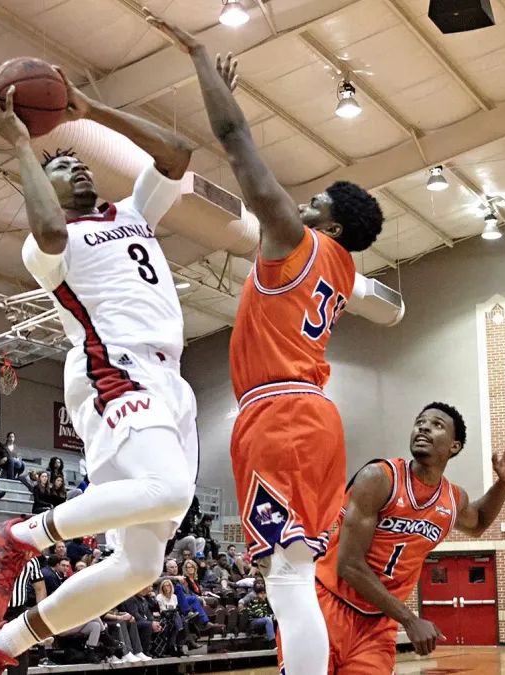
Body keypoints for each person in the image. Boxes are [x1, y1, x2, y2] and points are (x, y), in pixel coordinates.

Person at [146, 13, 384, 675]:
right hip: (312, 416)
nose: (301, 200)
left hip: (278, 415)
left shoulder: (298, 238)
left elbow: (233, 136)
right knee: (295, 573)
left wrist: (198, 58)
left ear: (329, 219)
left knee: (285, 578)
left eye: (315, 199)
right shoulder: (341, 270)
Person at [0, 62, 199, 675]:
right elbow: (43, 224)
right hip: (113, 367)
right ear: (41, 185)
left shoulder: (133, 211)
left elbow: (178, 153)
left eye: (77, 160)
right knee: (170, 489)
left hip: (169, 380)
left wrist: (90, 110)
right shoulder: (48, 243)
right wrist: (20, 144)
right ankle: (20, 537)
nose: (78, 165)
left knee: (141, 566)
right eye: (60, 165)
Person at [316, 403, 505, 672]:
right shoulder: (379, 478)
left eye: (437, 425)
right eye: (420, 422)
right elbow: (348, 564)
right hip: (328, 605)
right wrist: (409, 619)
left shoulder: (452, 499)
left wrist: (504, 483)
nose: (424, 427)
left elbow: (478, 525)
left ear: (454, 446)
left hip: (379, 622)